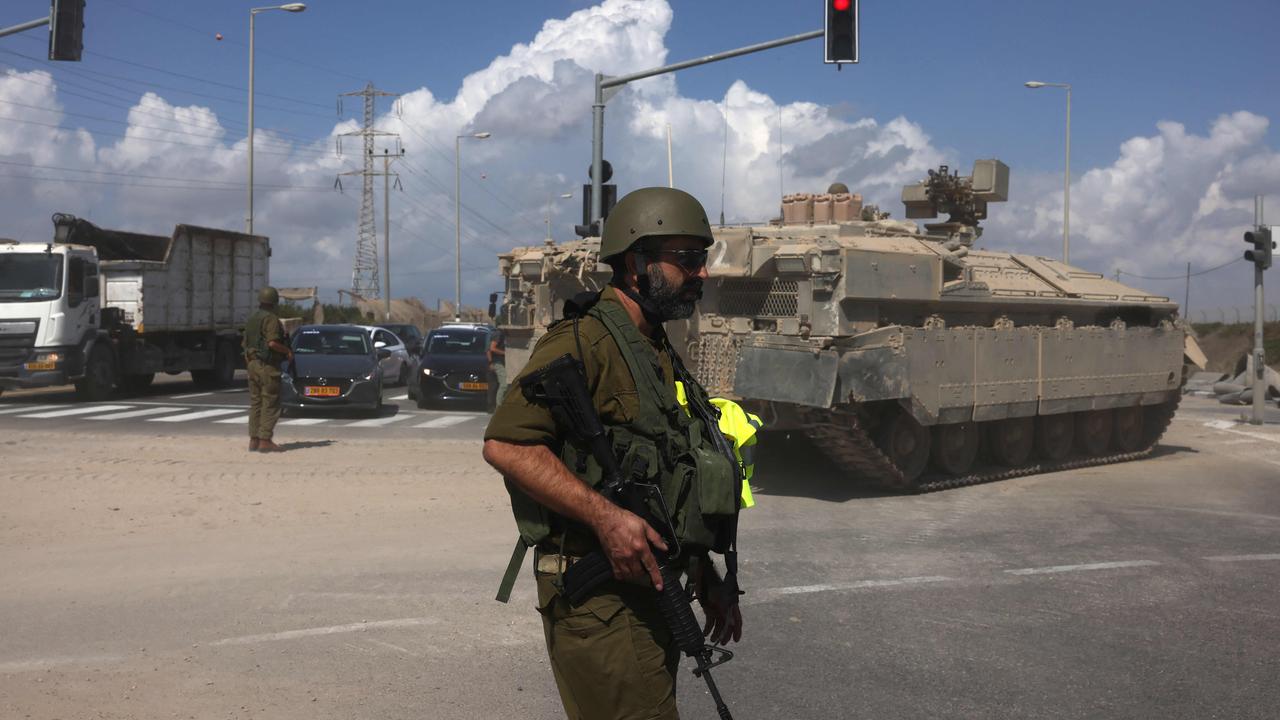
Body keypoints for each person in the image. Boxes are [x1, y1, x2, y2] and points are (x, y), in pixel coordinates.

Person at [483, 187, 746, 720]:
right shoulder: (584, 342)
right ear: (637, 263)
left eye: (704, 259)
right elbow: (507, 444)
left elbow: (666, 476)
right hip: (600, 601)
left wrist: (704, 575)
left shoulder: (652, 344)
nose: (702, 274)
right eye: (688, 260)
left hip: (649, 589)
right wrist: (604, 517)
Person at [242, 286, 292, 452]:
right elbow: (272, 343)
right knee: (270, 402)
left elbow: (245, 344)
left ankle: (254, 440)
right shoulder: (271, 319)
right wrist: (287, 351)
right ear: (274, 302)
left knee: (256, 402)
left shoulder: (252, 318)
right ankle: (265, 440)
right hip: (267, 366)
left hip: (253, 364)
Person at [487, 327, 507, 410]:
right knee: (504, 385)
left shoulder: (499, 333)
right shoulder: (498, 334)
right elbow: (491, 348)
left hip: (499, 362)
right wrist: (505, 353)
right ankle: (499, 407)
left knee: (498, 385)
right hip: (497, 362)